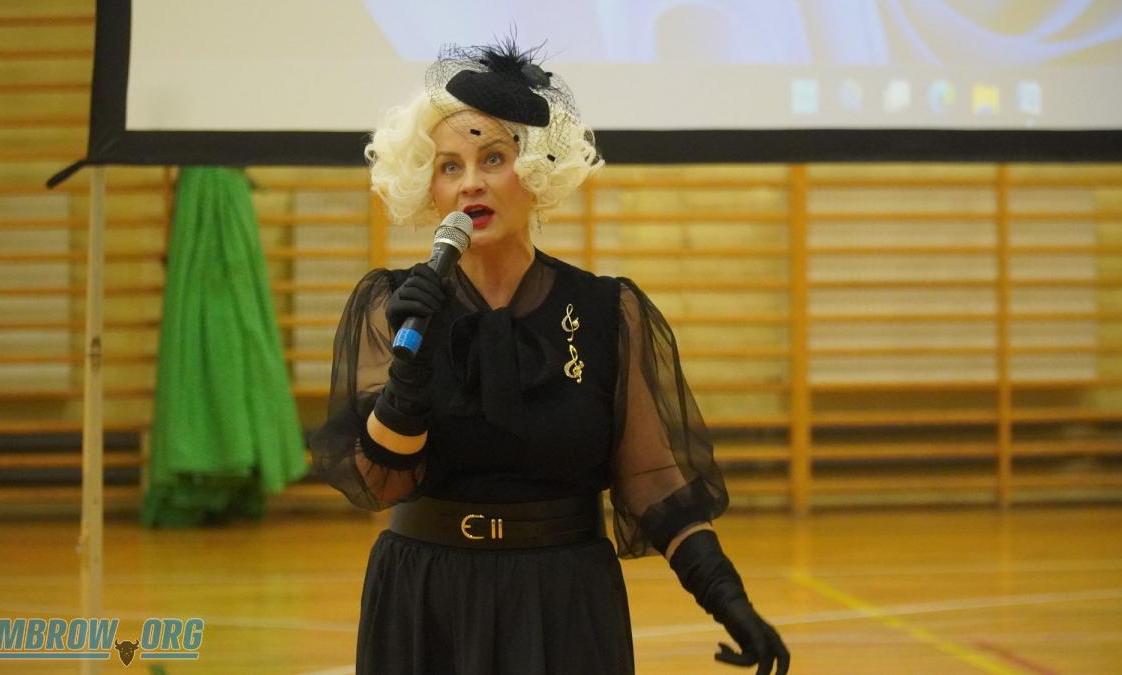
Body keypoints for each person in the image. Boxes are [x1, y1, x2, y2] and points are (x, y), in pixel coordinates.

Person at [311, 38, 789, 675]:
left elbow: (652, 481)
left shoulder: (607, 310)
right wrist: (411, 371)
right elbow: (381, 482)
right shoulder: (394, 306)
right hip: (428, 600)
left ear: (536, 169)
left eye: (493, 157)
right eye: (449, 166)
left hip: (565, 599)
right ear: (430, 185)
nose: (471, 182)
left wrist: (727, 598)